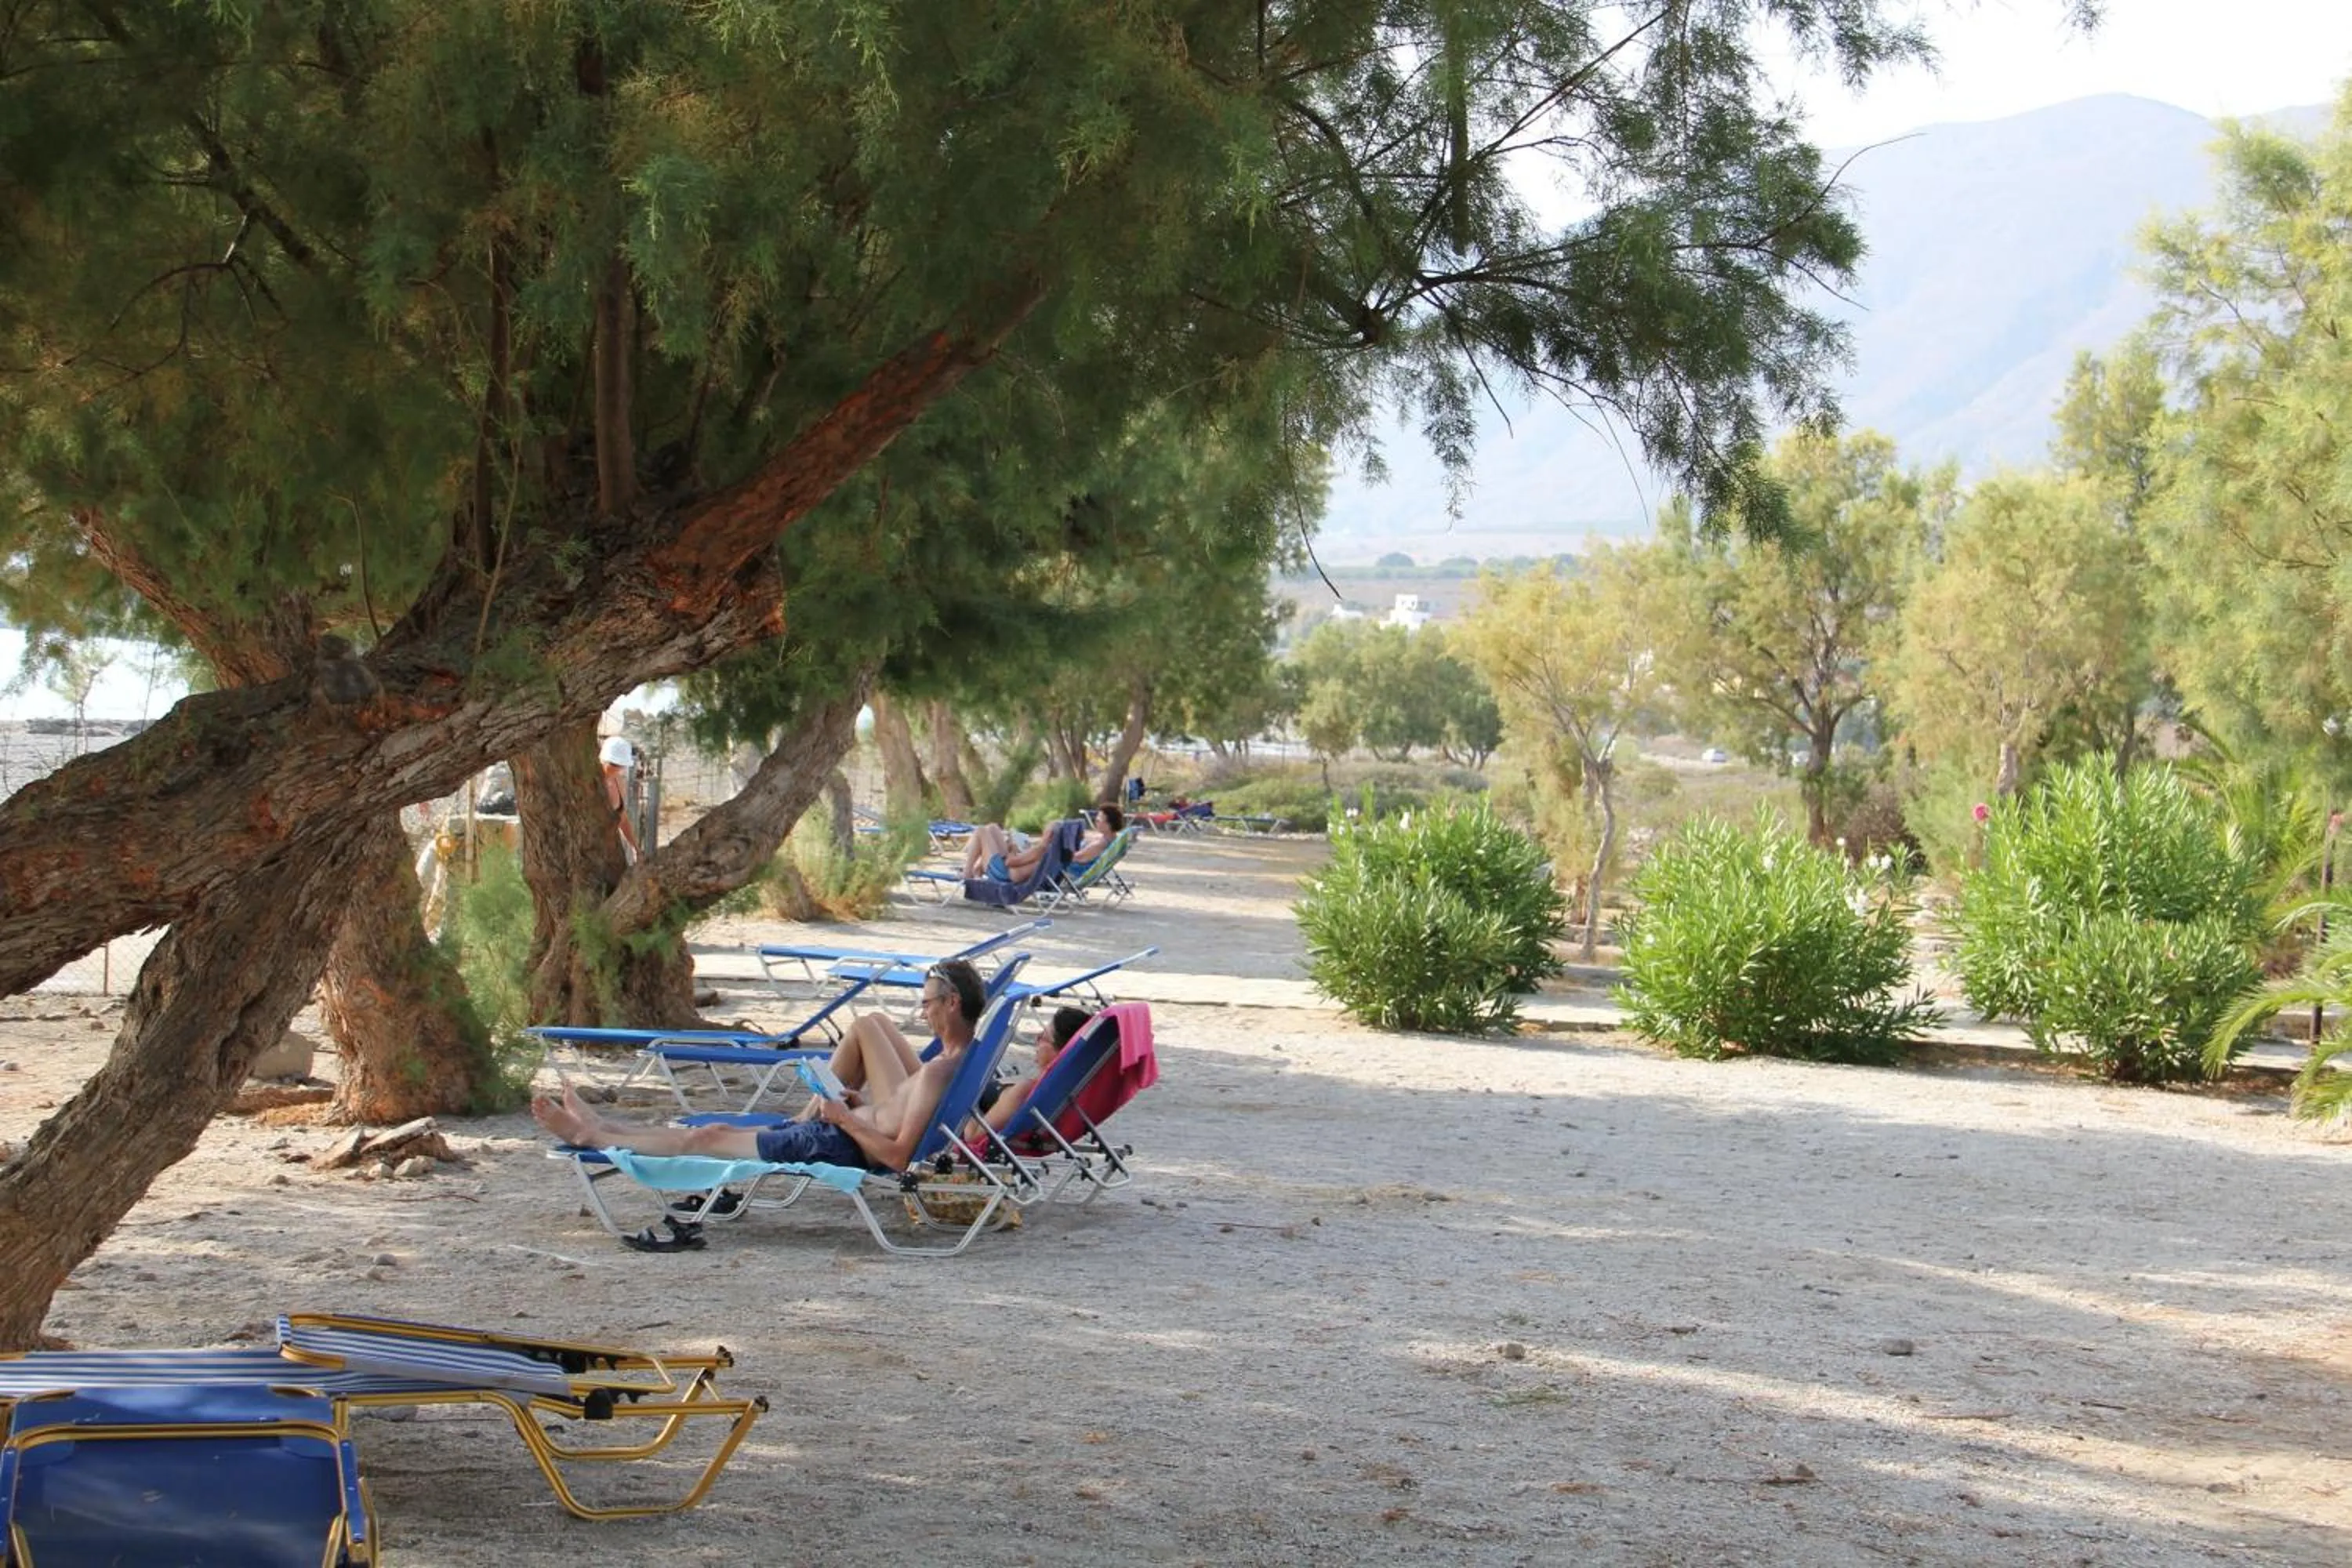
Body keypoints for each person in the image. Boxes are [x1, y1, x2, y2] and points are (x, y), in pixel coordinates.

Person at [531, 960, 989, 1173]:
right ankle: (605, 1127)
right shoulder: (964, 1059)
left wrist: (844, 1118)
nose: (921, 1012)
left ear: (951, 1004)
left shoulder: (935, 1072)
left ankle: (592, 1136)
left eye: (927, 1003)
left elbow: (899, 1158)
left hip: (836, 1144)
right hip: (841, 1131)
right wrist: (857, 1107)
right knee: (712, 1133)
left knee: (707, 1137)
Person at [976, 1004, 1091, 1138]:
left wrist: (966, 1092)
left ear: (1061, 1052)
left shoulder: (1025, 1091)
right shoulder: (1078, 1086)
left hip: (973, 1110)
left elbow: (973, 1137)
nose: (1036, 1041)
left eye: (1043, 1037)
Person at [960, 803, 1126, 884]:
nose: (1096, 821)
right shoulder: (1049, 852)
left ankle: (968, 873)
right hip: (1012, 869)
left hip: (1003, 874)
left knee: (983, 831)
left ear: (1109, 824)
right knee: (993, 828)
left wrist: (1013, 847)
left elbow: (1011, 862)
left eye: (1100, 819)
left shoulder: (1100, 844)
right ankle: (975, 871)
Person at [599, 734, 641, 862]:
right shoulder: (588, 783)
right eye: (613, 764)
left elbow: (621, 818)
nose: (617, 768)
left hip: (609, 850)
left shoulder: (618, 781)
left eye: (620, 765)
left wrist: (635, 847)